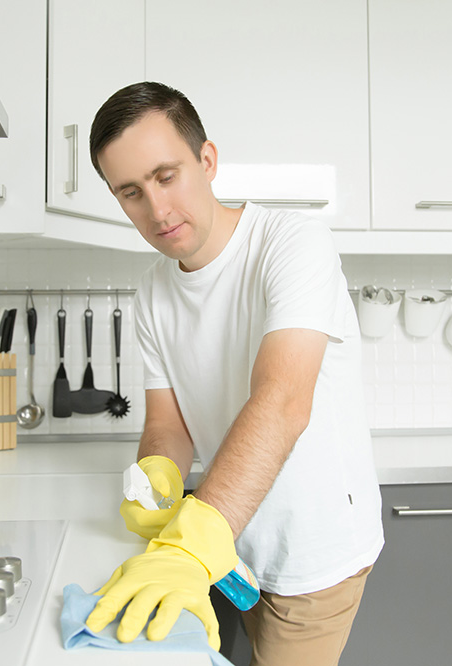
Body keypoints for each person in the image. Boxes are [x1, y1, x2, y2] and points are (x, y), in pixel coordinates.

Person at [83, 81, 384, 666]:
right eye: (130, 192)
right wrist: (157, 479)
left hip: (310, 556)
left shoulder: (291, 243)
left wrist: (192, 545)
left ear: (207, 160)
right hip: (230, 541)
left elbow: (283, 401)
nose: (156, 210)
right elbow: (168, 422)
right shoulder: (151, 293)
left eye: (166, 176)